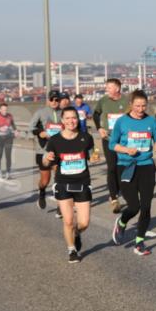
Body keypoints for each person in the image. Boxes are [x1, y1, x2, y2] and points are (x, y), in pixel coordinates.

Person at [109, 90, 156, 256]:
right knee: (134, 206)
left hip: (146, 166)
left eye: (143, 105)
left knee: (146, 207)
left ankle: (139, 242)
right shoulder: (122, 122)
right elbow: (113, 144)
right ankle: (122, 221)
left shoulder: (151, 121)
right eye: (137, 106)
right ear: (131, 105)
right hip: (126, 166)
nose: (141, 109)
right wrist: (126, 150)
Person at [41, 106, 95, 263]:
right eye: (68, 118)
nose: (71, 121)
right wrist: (47, 158)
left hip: (83, 182)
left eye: (74, 118)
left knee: (84, 222)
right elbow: (45, 161)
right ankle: (71, 250)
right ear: (62, 121)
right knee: (68, 220)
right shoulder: (55, 140)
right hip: (63, 183)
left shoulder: (86, 138)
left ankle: (77, 233)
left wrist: (94, 158)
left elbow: (91, 156)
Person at [93, 78, 130, 213]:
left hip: (124, 140)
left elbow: (134, 116)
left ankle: (118, 190)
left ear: (117, 88)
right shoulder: (103, 101)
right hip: (108, 138)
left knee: (122, 167)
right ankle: (114, 197)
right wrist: (99, 128)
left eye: (109, 87)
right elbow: (96, 115)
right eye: (106, 87)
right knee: (112, 167)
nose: (106, 89)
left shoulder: (127, 101)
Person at [29, 91, 64, 210]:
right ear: (48, 100)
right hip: (43, 150)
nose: (54, 102)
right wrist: (40, 133)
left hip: (59, 149)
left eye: (57, 100)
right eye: (52, 99)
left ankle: (61, 204)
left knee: (60, 176)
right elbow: (31, 127)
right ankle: (42, 193)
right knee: (45, 180)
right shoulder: (40, 112)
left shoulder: (63, 113)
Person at [0, 102, 16, 179]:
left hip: (8, 137)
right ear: (0, 109)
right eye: (3, 110)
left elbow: (13, 125)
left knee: (8, 156)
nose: (5, 111)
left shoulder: (10, 116)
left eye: (6, 110)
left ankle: (8, 172)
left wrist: (16, 131)